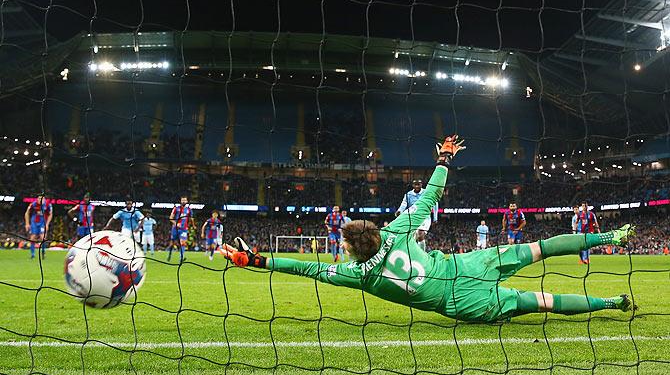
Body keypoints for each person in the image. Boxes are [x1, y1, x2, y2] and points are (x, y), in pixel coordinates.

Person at [221, 136, 635, 323]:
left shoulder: (358, 275)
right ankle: (608, 238)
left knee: (539, 301)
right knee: (541, 249)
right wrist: (444, 159)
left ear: (351, 250)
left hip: (464, 304)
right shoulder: (397, 230)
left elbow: (303, 269)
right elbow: (430, 196)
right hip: (467, 263)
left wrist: (255, 258)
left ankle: (613, 303)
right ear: (375, 230)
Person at [395, 179, 438, 252]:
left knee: (420, 234)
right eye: (415, 184)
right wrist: (399, 211)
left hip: (425, 217)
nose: (417, 186)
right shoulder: (408, 195)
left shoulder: (426, 193)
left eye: (419, 184)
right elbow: (403, 204)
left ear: (421, 185)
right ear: (413, 185)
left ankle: (422, 255)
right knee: (414, 237)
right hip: (413, 218)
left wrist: (435, 217)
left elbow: (435, 203)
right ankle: (414, 253)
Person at [24, 194, 52, 259]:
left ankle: (43, 252)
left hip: (43, 222)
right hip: (34, 222)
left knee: (43, 238)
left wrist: (47, 224)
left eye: (42, 199)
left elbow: (50, 214)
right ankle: (32, 254)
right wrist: (27, 223)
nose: (40, 200)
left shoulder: (48, 205)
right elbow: (27, 213)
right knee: (32, 238)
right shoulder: (33, 204)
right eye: (39, 198)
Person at [169, 195, 195, 262]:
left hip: (184, 229)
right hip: (175, 228)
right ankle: (169, 254)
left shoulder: (189, 210)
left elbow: (191, 219)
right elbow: (171, 218)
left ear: (187, 201)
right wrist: (176, 224)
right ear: (180, 201)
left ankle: (181, 258)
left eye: (185, 200)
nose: (183, 201)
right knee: (172, 243)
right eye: (182, 200)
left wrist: (192, 225)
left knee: (182, 243)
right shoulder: (176, 208)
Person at [575, 200, 600, 265]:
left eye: (585, 206)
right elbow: (576, 222)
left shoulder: (591, 214)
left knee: (586, 245)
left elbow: (596, 223)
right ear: (582, 206)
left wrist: (598, 231)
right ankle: (582, 259)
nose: (584, 207)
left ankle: (586, 259)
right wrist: (575, 230)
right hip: (581, 232)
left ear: (587, 206)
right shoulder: (580, 214)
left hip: (589, 232)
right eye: (583, 206)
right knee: (580, 247)